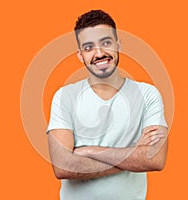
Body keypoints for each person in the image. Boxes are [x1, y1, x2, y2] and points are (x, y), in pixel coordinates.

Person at [47, 10, 168, 200]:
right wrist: (134, 156)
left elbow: (155, 159)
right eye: (88, 47)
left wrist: (90, 151)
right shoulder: (64, 96)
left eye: (106, 43)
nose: (99, 53)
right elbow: (63, 167)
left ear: (118, 45)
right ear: (80, 55)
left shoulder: (147, 95)